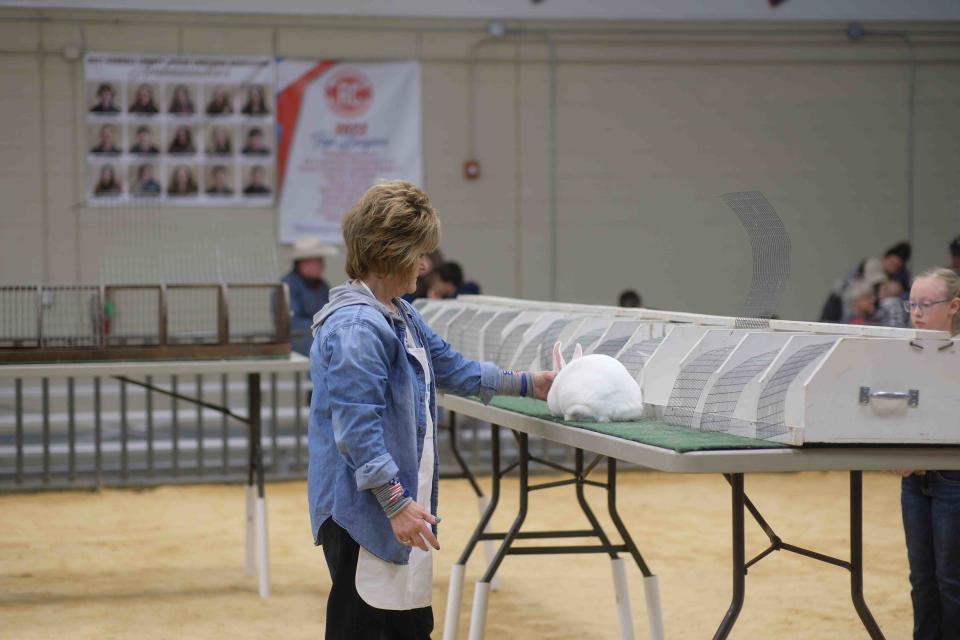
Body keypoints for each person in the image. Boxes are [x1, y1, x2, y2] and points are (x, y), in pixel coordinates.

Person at [307, 180, 556, 640]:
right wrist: (396, 502)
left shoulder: (398, 312)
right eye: (419, 252)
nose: (426, 265)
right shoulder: (358, 328)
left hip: (398, 511)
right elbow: (356, 432)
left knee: (410, 624)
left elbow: (453, 368)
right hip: (369, 513)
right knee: (366, 627)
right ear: (389, 253)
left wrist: (530, 384)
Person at [900, 267, 960, 640]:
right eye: (912, 304)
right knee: (921, 578)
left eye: (926, 304)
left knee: (950, 580)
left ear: (954, 306)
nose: (917, 312)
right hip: (914, 480)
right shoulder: (904, 351)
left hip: (953, 478)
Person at [282, 237, 338, 356]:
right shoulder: (287, 287)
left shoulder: (322, 285)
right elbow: (292, 323)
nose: (321, 265)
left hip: (321, 335)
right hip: (299, 339)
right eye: (317, 261)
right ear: (303, 264)